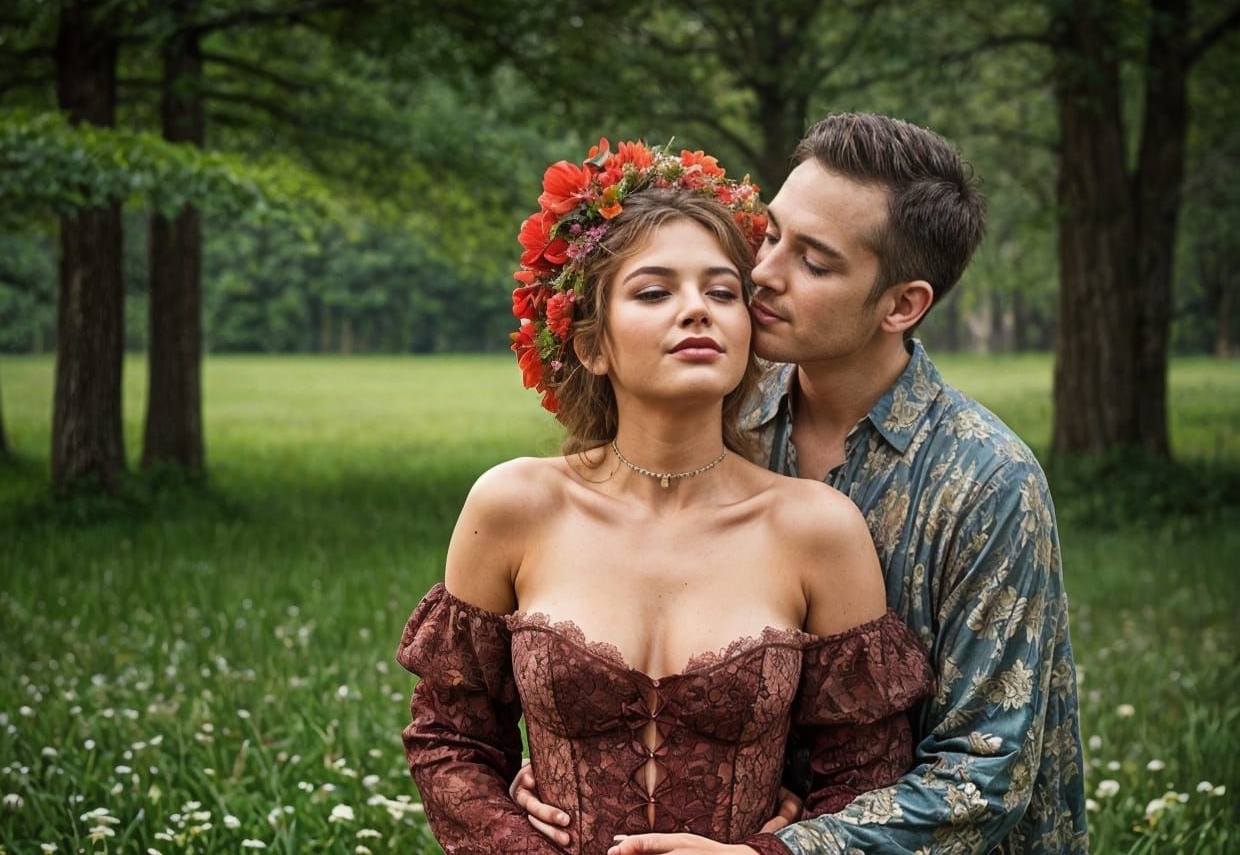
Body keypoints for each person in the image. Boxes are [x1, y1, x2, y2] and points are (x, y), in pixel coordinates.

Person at [518, 115, 1089, 855]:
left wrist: (789, 850)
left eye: (814, 263)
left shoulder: (985, 484)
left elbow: (985, 780)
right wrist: (570, 768)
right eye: (772, 234)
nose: (762, 272)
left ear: (901, 305)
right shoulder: (726, 409)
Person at [397, 140, 934, 855]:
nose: (697, 311)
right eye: (654, 292)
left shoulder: (817, 529)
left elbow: (864, 774)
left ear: (750, 330)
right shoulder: (514, 506)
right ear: (592, 345)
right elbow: (450, 741)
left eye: (722, 292)